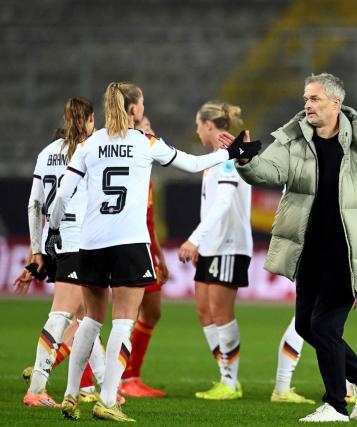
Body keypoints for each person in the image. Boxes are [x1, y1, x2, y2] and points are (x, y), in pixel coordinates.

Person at [45, 82, 260, 422]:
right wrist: (231, 153)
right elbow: (191, 163)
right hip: (129, 243)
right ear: (134, 110)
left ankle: (71, 395)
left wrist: (50, 233)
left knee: (89, 321)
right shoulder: (145, 143)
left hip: (91, 243)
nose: (144, 108)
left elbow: (60, 197)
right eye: (142, 103)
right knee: (124, 322)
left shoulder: (90, 144)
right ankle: (108, 399)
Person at [226, 72, 357, 422]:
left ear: (336, 103)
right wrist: (245, 160)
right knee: (306, 325)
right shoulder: (293, 139)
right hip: (309, 253)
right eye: (305, 98)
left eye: (315, 99)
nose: (307, 105)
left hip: (345, 254)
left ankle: (335, 405)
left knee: (324, 327)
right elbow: (268, 171)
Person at [15, 98, 108, 407]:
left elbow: (34, 205)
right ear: (91, 119)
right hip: (79, 241)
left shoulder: (47, 153)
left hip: (54, 242)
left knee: (86, 315)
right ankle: (37, 388)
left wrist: (37, 250)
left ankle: (107, 385)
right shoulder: (91, 151)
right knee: (63, 314)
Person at [178, 101, 253, 401]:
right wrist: (202, 242)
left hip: (229, 245)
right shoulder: (215, 158)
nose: (196, 130)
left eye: (198, 124)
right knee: (204, 312)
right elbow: (211, 204)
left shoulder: (227, 159)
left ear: (209, 125)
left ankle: (230, 382)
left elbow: (224, 203)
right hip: (212, 244)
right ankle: (225, 375)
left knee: (221, 314)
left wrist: (195, 239)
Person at [119, 115, 169, 397]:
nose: (152, 133)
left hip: (147, 247)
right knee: (127, 314)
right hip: (132, 246)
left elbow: (150, 219)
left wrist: (159, 254)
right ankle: (118, 378)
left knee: (150, 312)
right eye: (146, 129)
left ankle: (129, 376)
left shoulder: (145, 171)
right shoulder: (131, 170)